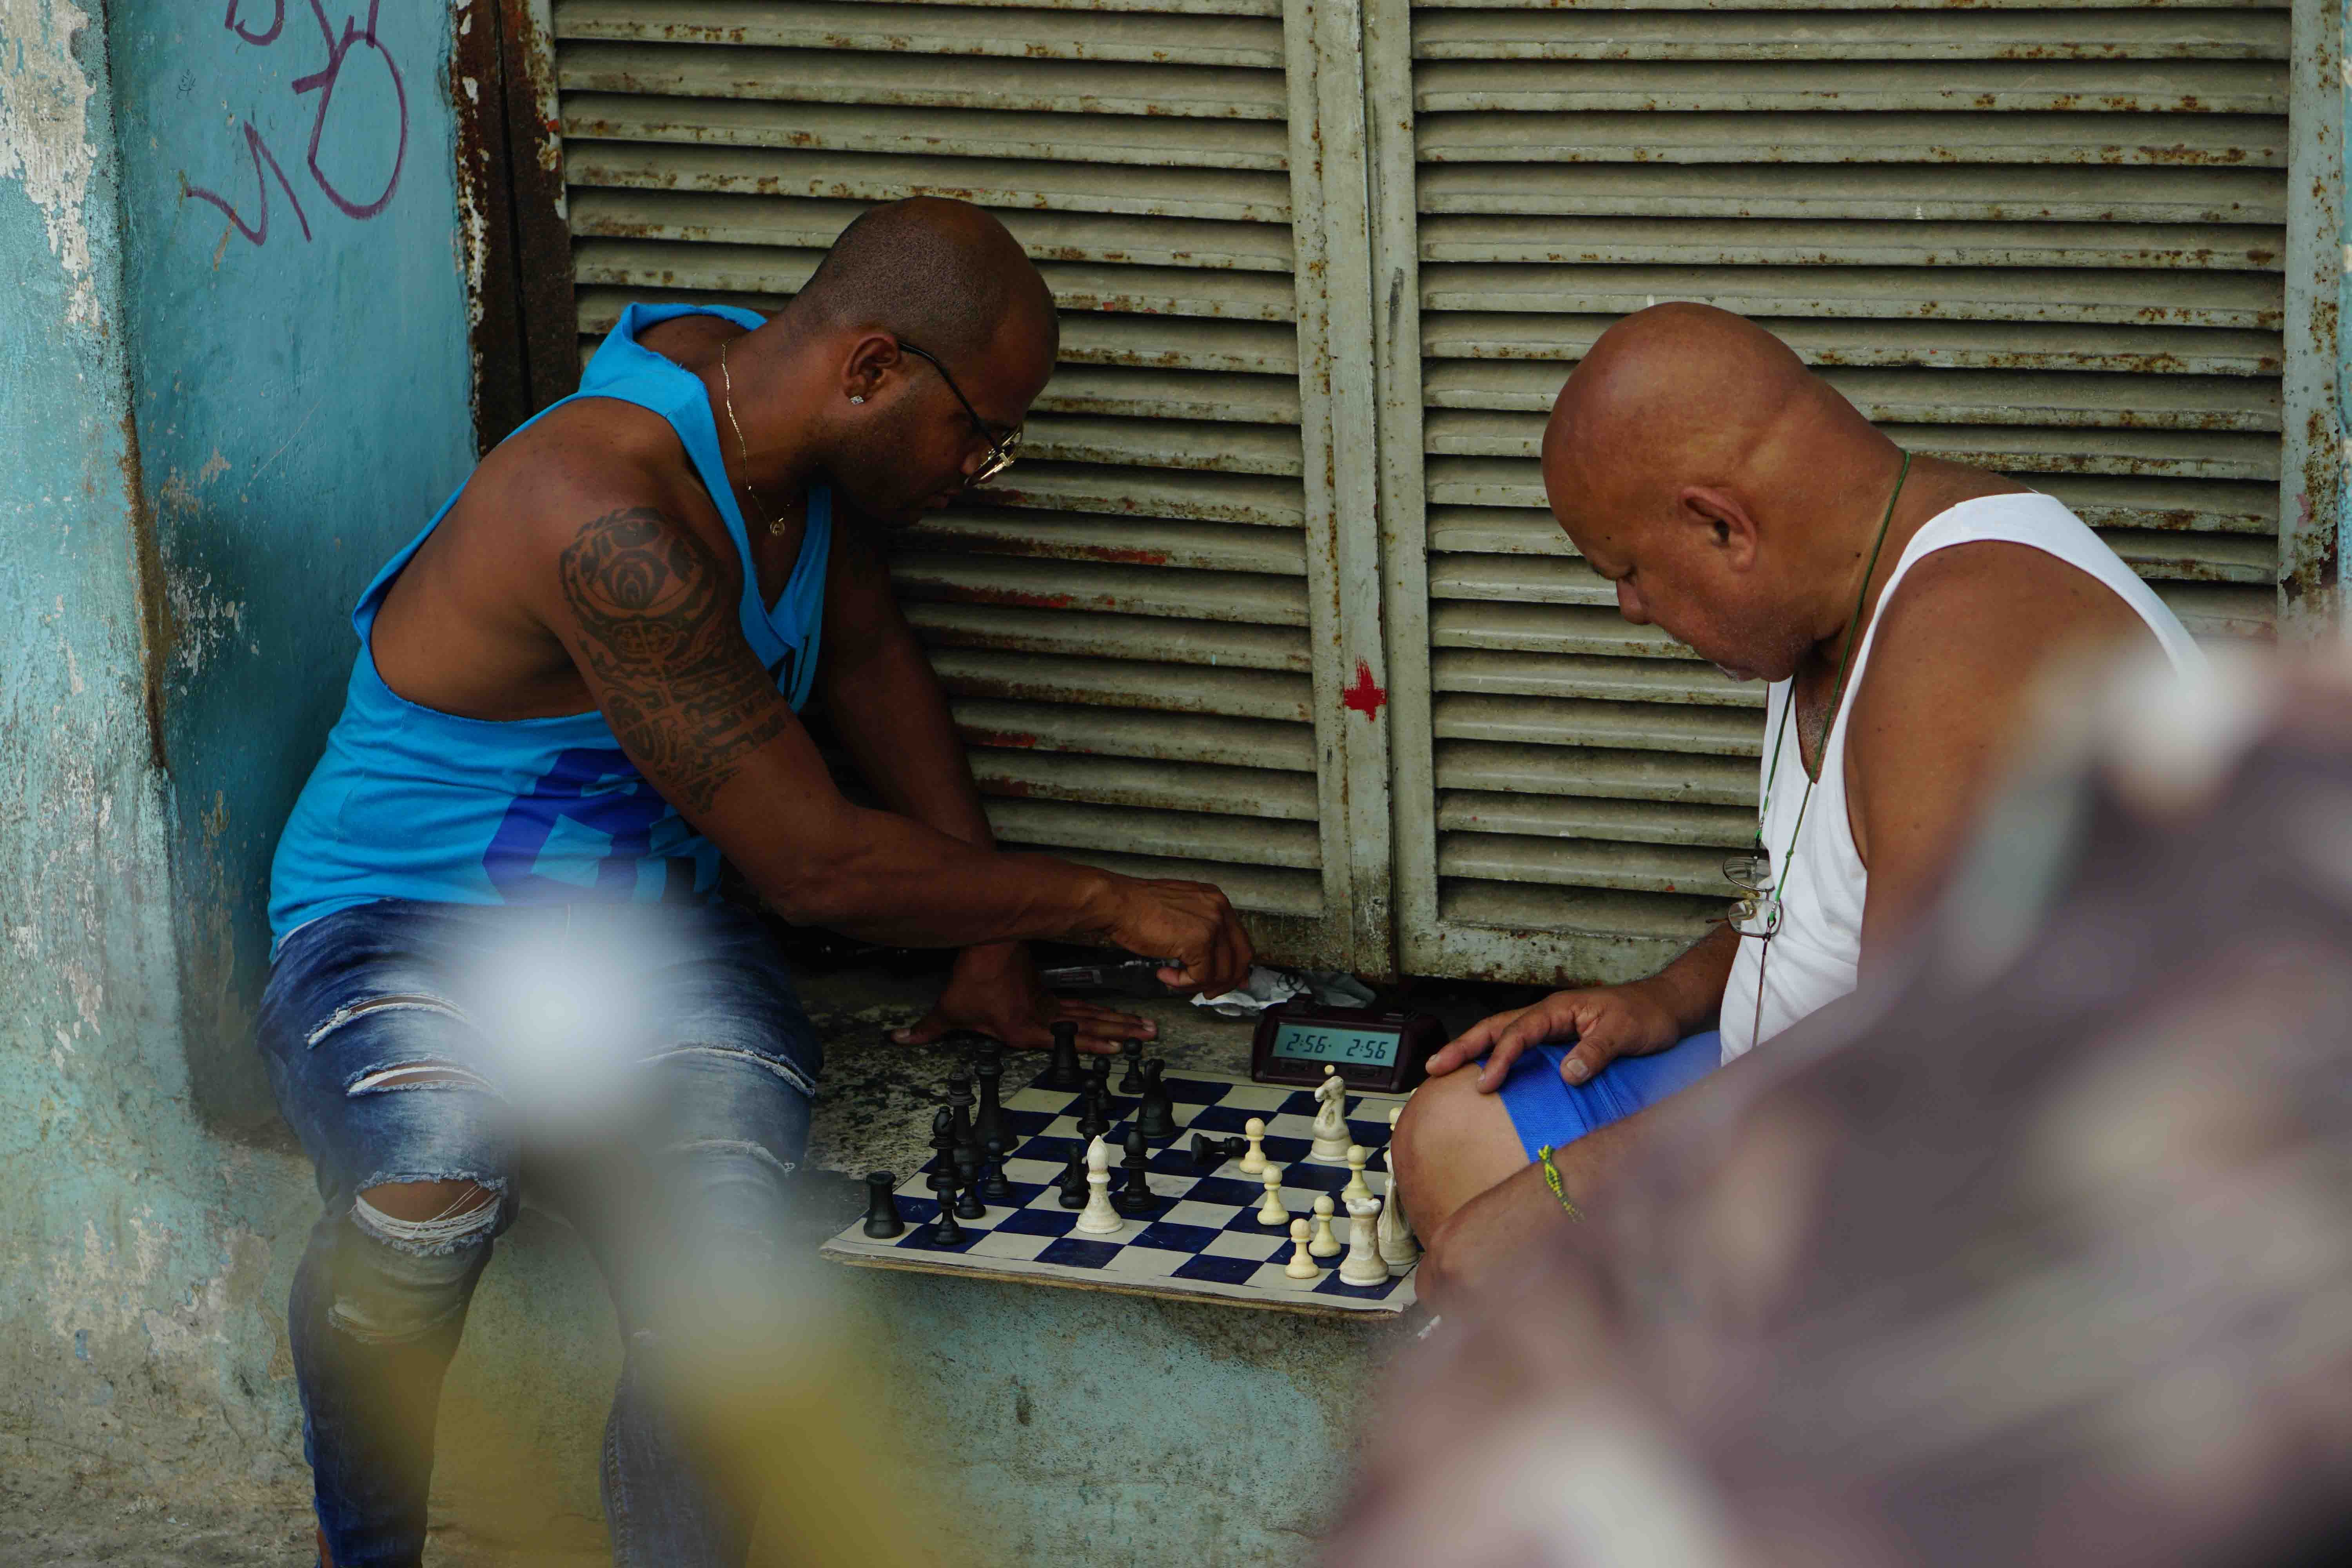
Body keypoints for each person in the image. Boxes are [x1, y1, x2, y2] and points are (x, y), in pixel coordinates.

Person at [256, 196, 1253, 1567]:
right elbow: (815, 865)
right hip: (396, 924)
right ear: (871, 369)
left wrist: (986, 950)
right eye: (977, 431)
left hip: (649, 938)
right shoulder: (605, 510)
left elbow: (868, 665)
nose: (983, 469)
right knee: (435, 1182)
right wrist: (1098, 903)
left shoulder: (769, 438)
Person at [1390, 302, 2200, 1305]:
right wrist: (1670, 997)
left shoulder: (1964, 647)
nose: (1629, 609)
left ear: (1723, 524)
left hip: (2004, 1207)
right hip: (1823, 1094)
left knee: (1517, 1254)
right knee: (1455, 1134)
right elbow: (1842, 889)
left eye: (1631, 572)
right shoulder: (1828, 596)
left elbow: (1925, 1076)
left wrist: (1569, 1192)